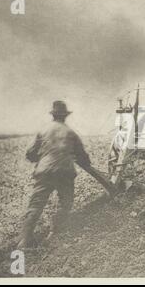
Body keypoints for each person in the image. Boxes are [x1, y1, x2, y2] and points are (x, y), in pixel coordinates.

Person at [18, 100, 110, 248]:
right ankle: (54, 233)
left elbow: (30, 154)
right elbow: (83, 157)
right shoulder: (71, 133)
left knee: (36, 204)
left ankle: (24, 240)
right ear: (65, 116)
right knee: (65, 203)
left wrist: (43, 159)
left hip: (44, 171)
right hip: (65, 172)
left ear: (53, 115)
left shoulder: (43, 131)